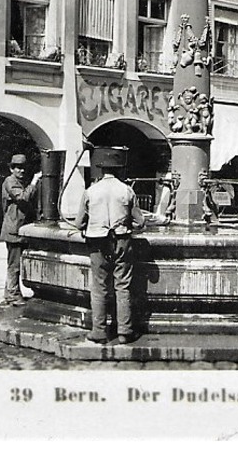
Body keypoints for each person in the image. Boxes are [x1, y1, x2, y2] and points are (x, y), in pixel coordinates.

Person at [73, 147, 162, 344]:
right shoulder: (126, 190)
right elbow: (140, 222)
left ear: (101, 170)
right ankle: (125, 331)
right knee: (123, 286)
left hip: (97, 243)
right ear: (119, 170)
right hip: (121, 241)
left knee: (99, 287)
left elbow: (79, 223)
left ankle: (99, 331)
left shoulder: (90, 191)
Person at [0, 154, 38, 306]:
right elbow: (22, 198)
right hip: (13, 229)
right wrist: (34, 182)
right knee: (14, 265)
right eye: (18, 167)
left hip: (18, 228)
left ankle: (10, 293)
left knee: (15, 264)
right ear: (11, 168)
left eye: (23, 168)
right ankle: (13, 295)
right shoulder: (10, 181)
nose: (21, 170)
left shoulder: (19, 181)